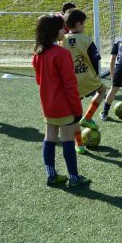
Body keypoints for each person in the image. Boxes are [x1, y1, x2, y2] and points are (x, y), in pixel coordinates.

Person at [32, 14, 91, 187]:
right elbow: (70, 84)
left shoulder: (37, 53)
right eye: (61, 28)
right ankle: (74, 178)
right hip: (64, 105)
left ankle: (51, 175)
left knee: (49, 138)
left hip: (48, 105)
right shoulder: (62, 53)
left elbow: (39, 81)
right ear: (53, 31)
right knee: (67, 139)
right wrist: (77, 108)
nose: (64, 31)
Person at [61, 9, 106, 154]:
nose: (84, 26)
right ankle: (87, 118)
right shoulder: (87, 39)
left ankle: (79, 145)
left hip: (70, 80)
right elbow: (95, 58)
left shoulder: (62, 40)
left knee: (75, 113)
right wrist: (96, 75)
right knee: (102, 91)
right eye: (84, 23)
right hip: (87, 77)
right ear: (79, 23)